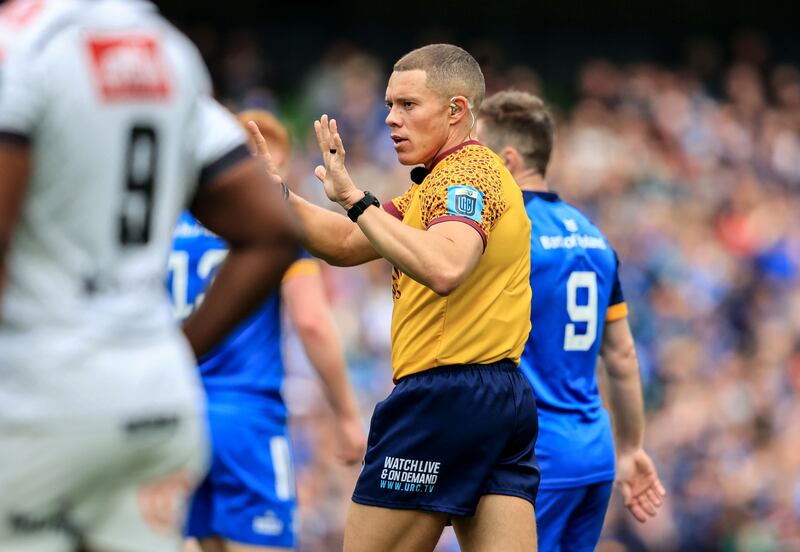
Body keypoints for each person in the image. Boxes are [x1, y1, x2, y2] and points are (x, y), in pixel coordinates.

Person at [0, 2, 299, 551]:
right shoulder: (169, 53)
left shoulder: (18, 46)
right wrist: (173, 354)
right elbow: (273, 232)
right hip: (155, 401)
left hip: (37, 402)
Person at [251, 43, 538, 552]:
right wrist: (277, 197)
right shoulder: (436, 184)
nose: (390, 119)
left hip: (445, 395)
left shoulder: (467, 173)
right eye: (388, 105)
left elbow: (446, 266)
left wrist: (356, 200)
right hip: (499, 398)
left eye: (408, 105)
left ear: (456, 111)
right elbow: (346, 242)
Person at [476, 90, 666, 551]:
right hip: (594, 453)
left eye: (476, 154)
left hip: (533, 457)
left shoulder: (505, 230)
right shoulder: (593, 236)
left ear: (508, 159)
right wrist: (631, 447)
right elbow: (621, 355)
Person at [170, 109, 366, 552]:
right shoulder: (268, 227)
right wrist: (348, 416)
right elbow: (312, 320)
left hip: (172, 411)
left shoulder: (167, 224)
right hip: (245, 417)